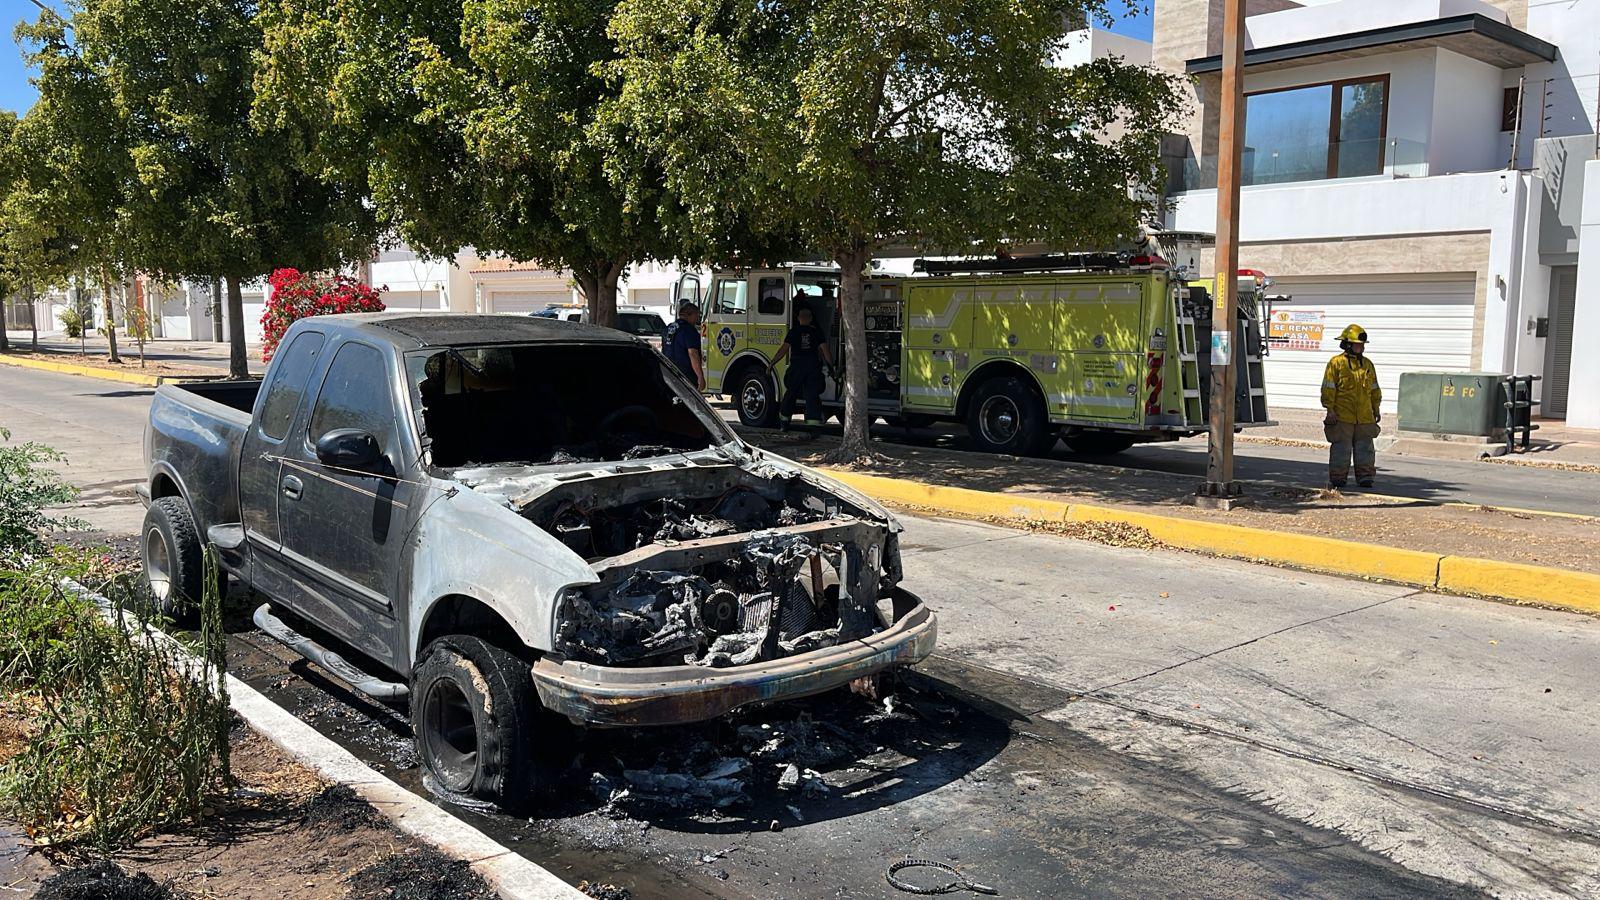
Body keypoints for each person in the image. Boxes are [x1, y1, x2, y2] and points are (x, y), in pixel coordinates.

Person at [1321, 323, 1382, 489]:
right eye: (1357, 344)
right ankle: (1338, 478)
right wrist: (1330, 410)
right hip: (1343, 416)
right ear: (1347, 344)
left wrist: (1376, 409)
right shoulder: (1336, 363)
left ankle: (1365, 477)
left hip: (1364, 417)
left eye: (1362, 345)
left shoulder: (1367, 365)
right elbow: (1328, 388)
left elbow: (1374, 389)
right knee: (1342, 448)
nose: (1361, 347)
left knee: (1366, 449)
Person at [770, 305, 833, 427]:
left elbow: (783, 350)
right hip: (813, 367)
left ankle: (784, 421)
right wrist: (831, 367)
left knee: (791, 393)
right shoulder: (817, 332)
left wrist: (772, 363)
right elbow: (826, 352)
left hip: (796, 367)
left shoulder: (793, 332)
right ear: (810, 319)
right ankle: (813, 423)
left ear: (798, 318)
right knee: (812, 394)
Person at [663, 301, 705, 392]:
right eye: (697, 315)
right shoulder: (688, 330)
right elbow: (693, 353)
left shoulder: (668, 328)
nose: (698, 319)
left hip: (669, 372)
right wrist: (700, 377)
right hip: (685, 374)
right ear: (690, 314)